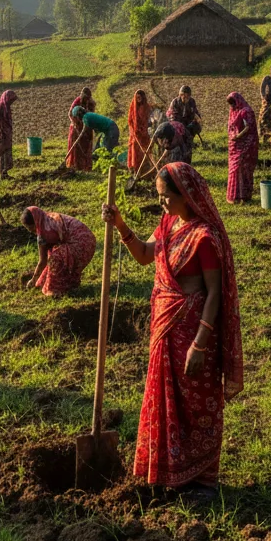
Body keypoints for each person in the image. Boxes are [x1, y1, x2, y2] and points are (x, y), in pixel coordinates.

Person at [101, 162, 243, 501]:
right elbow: (144, 256)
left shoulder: (204, 238)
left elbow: (214, 294)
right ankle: (171, 472)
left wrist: (200, 343)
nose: (162, 203)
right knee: (167, 401)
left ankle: (203, 481)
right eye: (159, 197)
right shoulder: (167, 224)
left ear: (186, 196)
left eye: (166, 197)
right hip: (164, 328)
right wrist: (120, 225)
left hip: (192, 332)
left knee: (196, 404)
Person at [21, 207, 96, 297]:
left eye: (32, 229)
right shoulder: (48, 219)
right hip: (88, 241)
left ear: (36, 222)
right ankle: (69, 285)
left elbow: (43, 261)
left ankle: (55, 290)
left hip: (82, 244)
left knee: (55, 257)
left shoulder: (45, 231)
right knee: (53, 258)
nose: (33, 232)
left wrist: (33, 280)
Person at [226, 92, 259, 204]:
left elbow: (248, 127)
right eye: (231, 104)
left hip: (246, 144)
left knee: (241, 167)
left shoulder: (246, 111)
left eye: (233, 103)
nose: (232, 106)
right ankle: (234, 196)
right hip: (235, 145)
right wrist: (233, 137)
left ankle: (244, 196)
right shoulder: (233, 111)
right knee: (233, 169)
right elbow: (231, 127)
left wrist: (238, 136)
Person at [0, 89, 18, 179]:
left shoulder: (6, 107)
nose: (11, 102)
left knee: (5, 154)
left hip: (5, 134)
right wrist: (0, 137)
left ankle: (4, 173)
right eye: (11, 100)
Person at [66, 87, 95, 172]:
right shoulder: (77, 102)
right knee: (77, 147)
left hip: (87, 127)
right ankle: (76, 165)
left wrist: (87, 126)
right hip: (76, 126)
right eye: (85, 97)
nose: (86, 99)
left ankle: (86, 166)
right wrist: (75, 124)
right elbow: (70, 114)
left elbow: (91, 115)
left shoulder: (91, 103)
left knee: (86, 146)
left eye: (87, 98)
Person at [127, 89, 151, 171]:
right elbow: (130, 121)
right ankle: (134, 168)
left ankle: (144, 168)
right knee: (134, 147)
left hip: (144, 133)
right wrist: (134, 131)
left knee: (145, 150)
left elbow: (148, 121)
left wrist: (142, 130)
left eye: (140, 98)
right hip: (135, 133)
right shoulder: (133, 106)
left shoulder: (146, 107)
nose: (138, 99)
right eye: (137, 98)